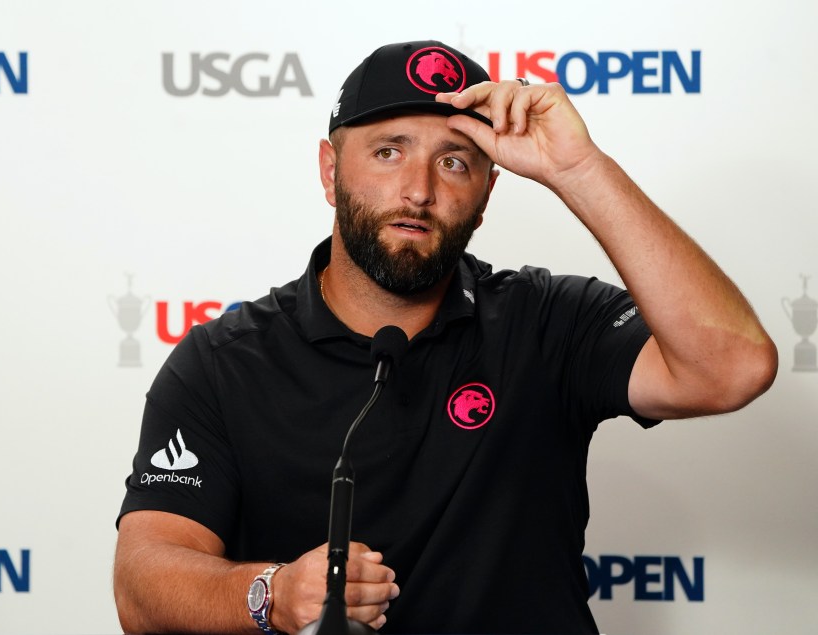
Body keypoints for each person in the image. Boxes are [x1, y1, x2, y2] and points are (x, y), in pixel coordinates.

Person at [113, 40, 777, 635]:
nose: (418, 190)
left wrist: (579, 168)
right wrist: (269, 591)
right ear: (329, 170)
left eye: (455, 162)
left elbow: (733, 367)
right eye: (388, 151)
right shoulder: (225, 361)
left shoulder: (544, 320)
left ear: (486, 195)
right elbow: (143, 581)